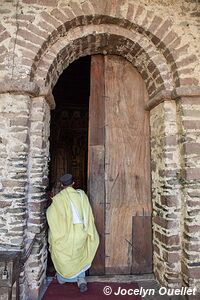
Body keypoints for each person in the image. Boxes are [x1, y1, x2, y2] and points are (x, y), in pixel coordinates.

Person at [46, 174, 99, 292]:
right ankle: (81, 279)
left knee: (64, 256)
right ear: (73, 183)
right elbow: (88, 213)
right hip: (81, 233)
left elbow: (50, 214)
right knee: (80, 255)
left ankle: (63, 277)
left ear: (61, 185)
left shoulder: (59, 199)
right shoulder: (81, 195)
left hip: (65, 235)